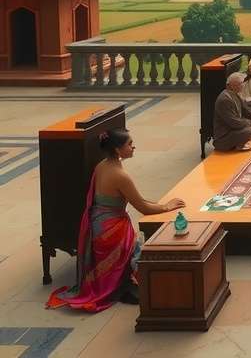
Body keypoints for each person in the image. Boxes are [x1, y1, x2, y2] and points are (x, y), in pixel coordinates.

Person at [46, 129, 185, 312]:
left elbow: (138, 200)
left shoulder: (102, 165)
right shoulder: (121, 176)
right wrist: (167, 206)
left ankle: (123, 279)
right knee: (139, 247)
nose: (133, 146)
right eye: (129, 143)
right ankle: (131, 282)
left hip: (98, 224)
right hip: (112, 230)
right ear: (118, 151)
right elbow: (143, 207)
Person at [214, 71, 251, 151]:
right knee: (249, 130)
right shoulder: (225, 100)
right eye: (240, 84)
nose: (243, 85)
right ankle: (240, 143)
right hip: (223, 139)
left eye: (242, 83)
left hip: (235, 130)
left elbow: (245, 111)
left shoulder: (235, 94)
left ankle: (245, 139)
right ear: (230, 86)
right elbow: (234, 123)